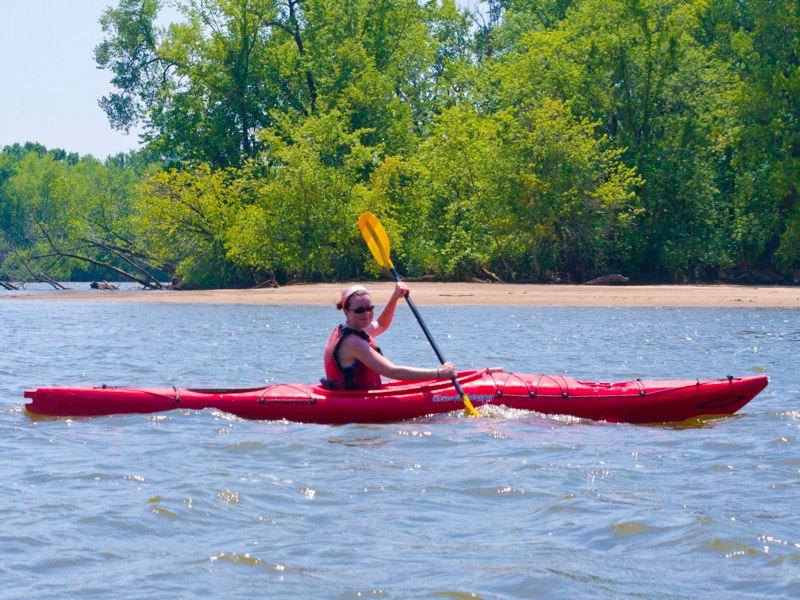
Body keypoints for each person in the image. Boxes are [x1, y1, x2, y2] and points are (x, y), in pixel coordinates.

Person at [322, 283, 457, 390]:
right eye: (359, 310)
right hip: (354, 403)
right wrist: (439, 373)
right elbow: (392, 372)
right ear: (346, 311)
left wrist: (395, 297)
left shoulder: (351, 329)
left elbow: (381, 324)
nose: (366, 314)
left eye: (370, 308)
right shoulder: (353, 343)